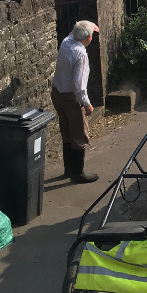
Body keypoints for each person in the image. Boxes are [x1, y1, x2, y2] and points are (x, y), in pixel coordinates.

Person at [51, 20, 100, 183]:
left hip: (57, 93)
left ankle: (68, 170)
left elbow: (75, 32)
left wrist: (88, 27)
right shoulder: (80, 53)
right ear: (89, 38)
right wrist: (86, 103)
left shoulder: (66, 42)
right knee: (79, 134)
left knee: (66, 132)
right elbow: (79, 85)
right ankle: (78, 174)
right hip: (71, 98)